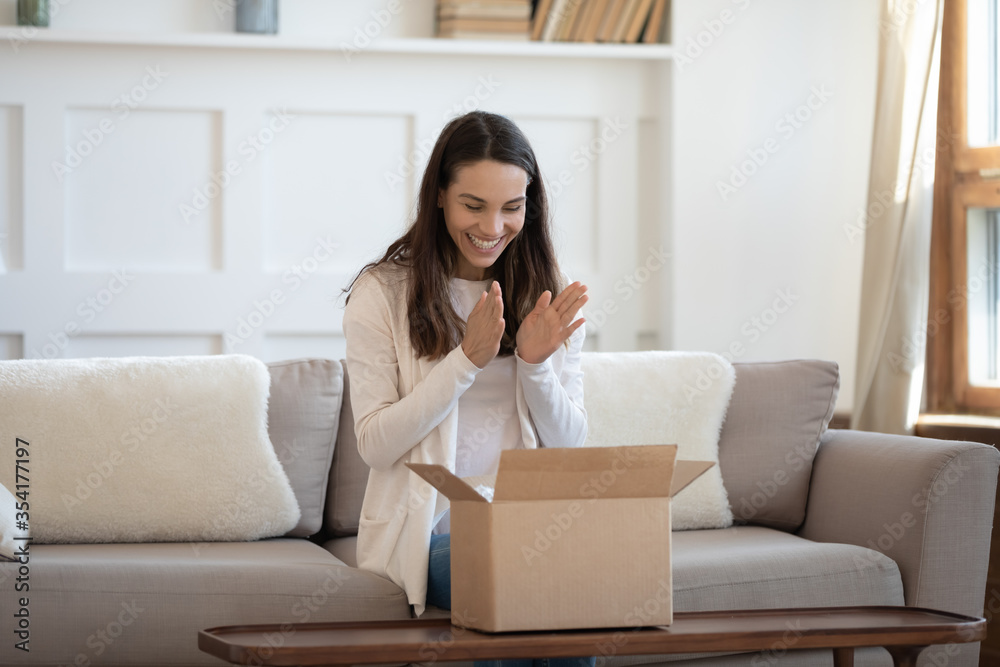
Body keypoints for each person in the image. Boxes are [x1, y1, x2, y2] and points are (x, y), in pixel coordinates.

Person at [342, 110, 594, 667]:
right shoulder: (382, 293)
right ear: (439, 196)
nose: (492, 227)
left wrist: (534, 365)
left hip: (529, 519)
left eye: (512, 208)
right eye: (473, 206)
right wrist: (464, 362)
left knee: (560, 592)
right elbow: (375, 444)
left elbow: (571, 447)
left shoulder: (545, 295)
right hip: (429, 528)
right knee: (516, 581)